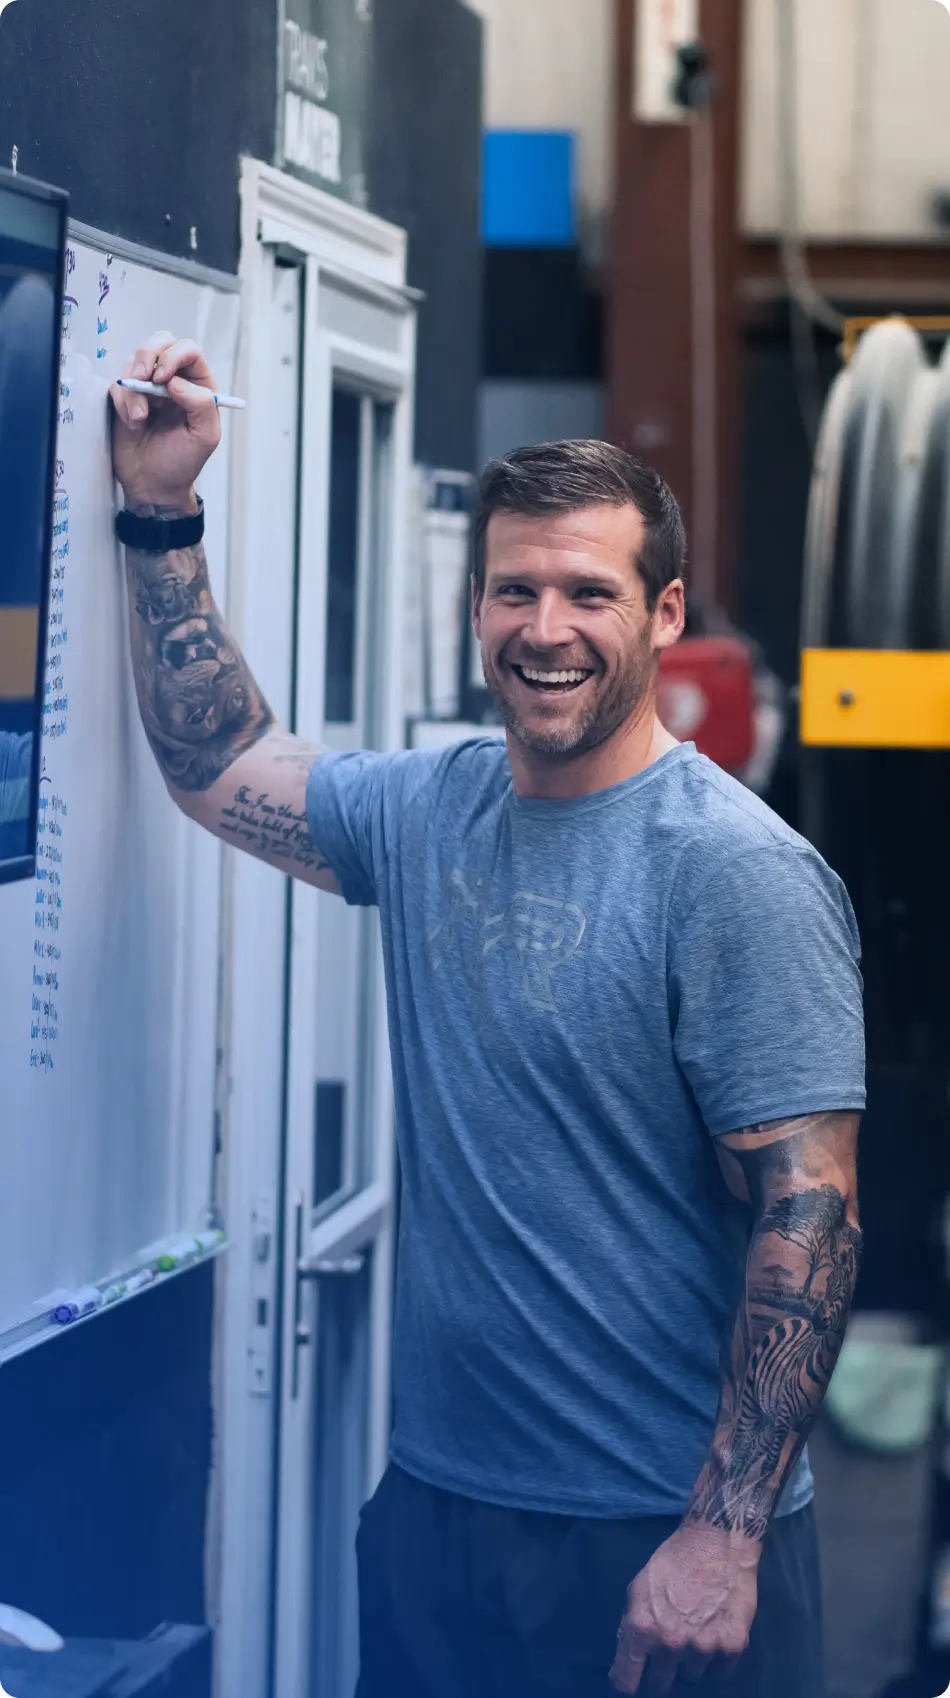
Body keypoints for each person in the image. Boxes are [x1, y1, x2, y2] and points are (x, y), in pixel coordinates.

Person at [110, 332, 865, 1698]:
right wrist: (160, 506)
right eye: (513, 589)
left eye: (589, 590)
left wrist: (722, 1530)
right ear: (476, 611)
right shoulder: (428, 810)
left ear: (665, 610)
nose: (545, 626)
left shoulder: (736, 871)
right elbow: (214, 758)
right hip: (443, 1517)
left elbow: (808, 1216)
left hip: (660, 1544)